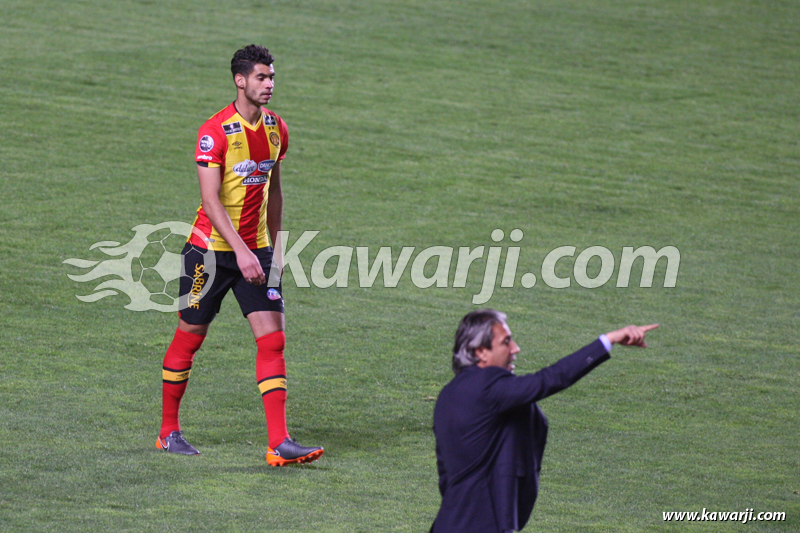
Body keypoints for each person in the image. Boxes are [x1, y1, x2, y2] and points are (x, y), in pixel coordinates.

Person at [156, 44, 323, 466]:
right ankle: (167, 432)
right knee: (190, 337)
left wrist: (275, 250)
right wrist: (243, 252)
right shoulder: (214, 131)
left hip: (258, 252)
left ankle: (279, 443)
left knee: (273, 340)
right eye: (262, 78)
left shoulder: (277, 129)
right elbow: (210, 202)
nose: (269, 85)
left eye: (272, 77)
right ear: (240, 80)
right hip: (208, 254)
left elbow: (275, 192)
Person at [431, 309, 657, 532]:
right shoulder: (489, 388)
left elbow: (446, 475)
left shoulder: (447, 396)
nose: (515, 348)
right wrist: (608, 340)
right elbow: (551, 379)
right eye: (506, 342)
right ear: (481, 352)